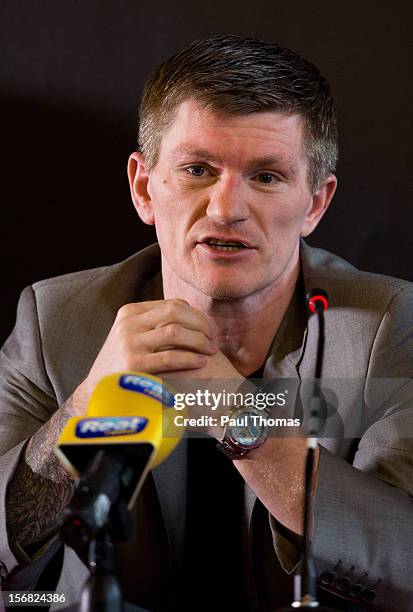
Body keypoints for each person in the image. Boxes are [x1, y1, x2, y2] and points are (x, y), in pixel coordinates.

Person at [0, 35, 412, 612]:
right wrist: (81, 414)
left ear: (315, 203)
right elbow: (8, 575)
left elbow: (405, 568)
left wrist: (233, 411)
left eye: (266, 177)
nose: (225, 208)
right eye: (197, 169)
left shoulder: (385, 326)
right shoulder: (55, 318)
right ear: (145, 187)